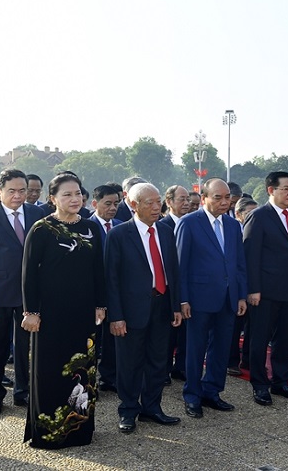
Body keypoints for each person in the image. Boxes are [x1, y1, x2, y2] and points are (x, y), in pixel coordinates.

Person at [21, 173, 105, 448]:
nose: (75, 199)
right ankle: (48, 432)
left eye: (78, 193)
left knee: (84, 371)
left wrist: (101, 304)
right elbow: (29, 274)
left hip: (83, 314)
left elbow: (99, 271)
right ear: (53, 198)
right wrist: (31, 311)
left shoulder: (92, 228)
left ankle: (79, 431)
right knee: (50, 371)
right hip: (50, 315)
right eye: (67, 194)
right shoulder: (42, 229)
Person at [105, 183, 183, 434]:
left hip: (161, 304)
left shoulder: (166, 231)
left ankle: (152, 407)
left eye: (157, 201)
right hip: (131, 310)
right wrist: (116, 316)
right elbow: (111, 279)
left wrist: (176, 306)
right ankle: (128, 410)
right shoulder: (119, 234)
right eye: (148, 202)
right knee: (129, 363)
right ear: (134, 205)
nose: (155, 207)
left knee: (159, 361)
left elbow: (173, 272)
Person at [177, 178, 247, 418]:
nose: (224, 202)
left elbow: (239, 264)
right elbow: (181, 266)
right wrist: (183, 299)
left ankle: (212, 392)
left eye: (227, 197)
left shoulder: (233, 225)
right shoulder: (189, 223)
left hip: (228, 298)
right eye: (218, 197)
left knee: (221, 348)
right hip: (198, 298)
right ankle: (192, 396)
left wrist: (240, 296)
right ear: (204, 197)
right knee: (195, 350)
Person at [243, 171, 288, 406]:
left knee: (285, 339)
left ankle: (281, 381)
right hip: (265, 292)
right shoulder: (259, 216)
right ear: (271, 190)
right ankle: (260, 385)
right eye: (286, 189)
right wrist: (253, 289)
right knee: (259, 340)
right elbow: (250, 256)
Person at [0, 169, 44, 417]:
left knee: (25, 346)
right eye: (12, 191)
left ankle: (23, 391)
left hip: (30, 294)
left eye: (22, 190)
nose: (18, 196)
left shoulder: (38, 214)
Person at [89, 184, 122, 393]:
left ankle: (109, 378)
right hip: (92, 292)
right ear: (95, 203)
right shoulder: (86, 226)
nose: (112, 208)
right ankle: (89, 381)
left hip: (115, 291)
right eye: (107, 203)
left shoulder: (121, 226)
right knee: (92, 339)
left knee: (112, 338)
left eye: (116, 204)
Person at [160, 185, 192, 383]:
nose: (186, 203)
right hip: (168, 289)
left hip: (187, 286)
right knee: (168, 333)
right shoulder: (162, 226)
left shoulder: (193, 223)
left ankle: (181, 367)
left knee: (186, 333)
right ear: (169, 202)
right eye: (181, 199)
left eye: (188, 199)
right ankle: (163, 370)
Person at [227, 196, 258, 376]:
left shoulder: (258, 228)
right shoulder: (232, 229)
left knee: (252, 327)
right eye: (249, 213)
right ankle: (231, 361)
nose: (254, 216)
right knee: (234, 326)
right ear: (238, 214)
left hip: (254, 286)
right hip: (237, 286)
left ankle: (248, 359)